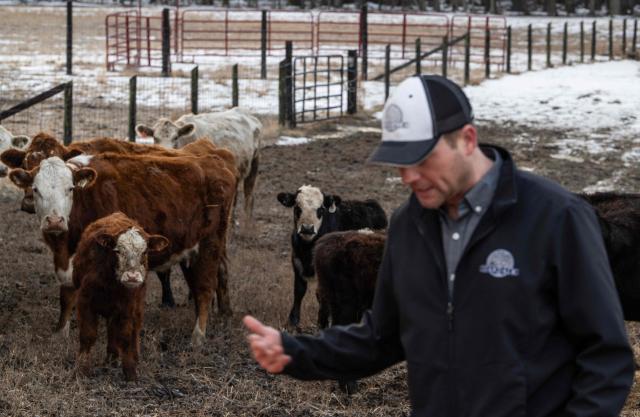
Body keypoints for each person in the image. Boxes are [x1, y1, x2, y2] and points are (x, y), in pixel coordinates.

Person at [243, 74, 635, 417]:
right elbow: (383, 337)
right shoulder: (409, 226)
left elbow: (607, 356)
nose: (408, 177)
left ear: (467, 140)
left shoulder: (556, 218)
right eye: (399, 163)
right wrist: (297, 352)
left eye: (422, 159)